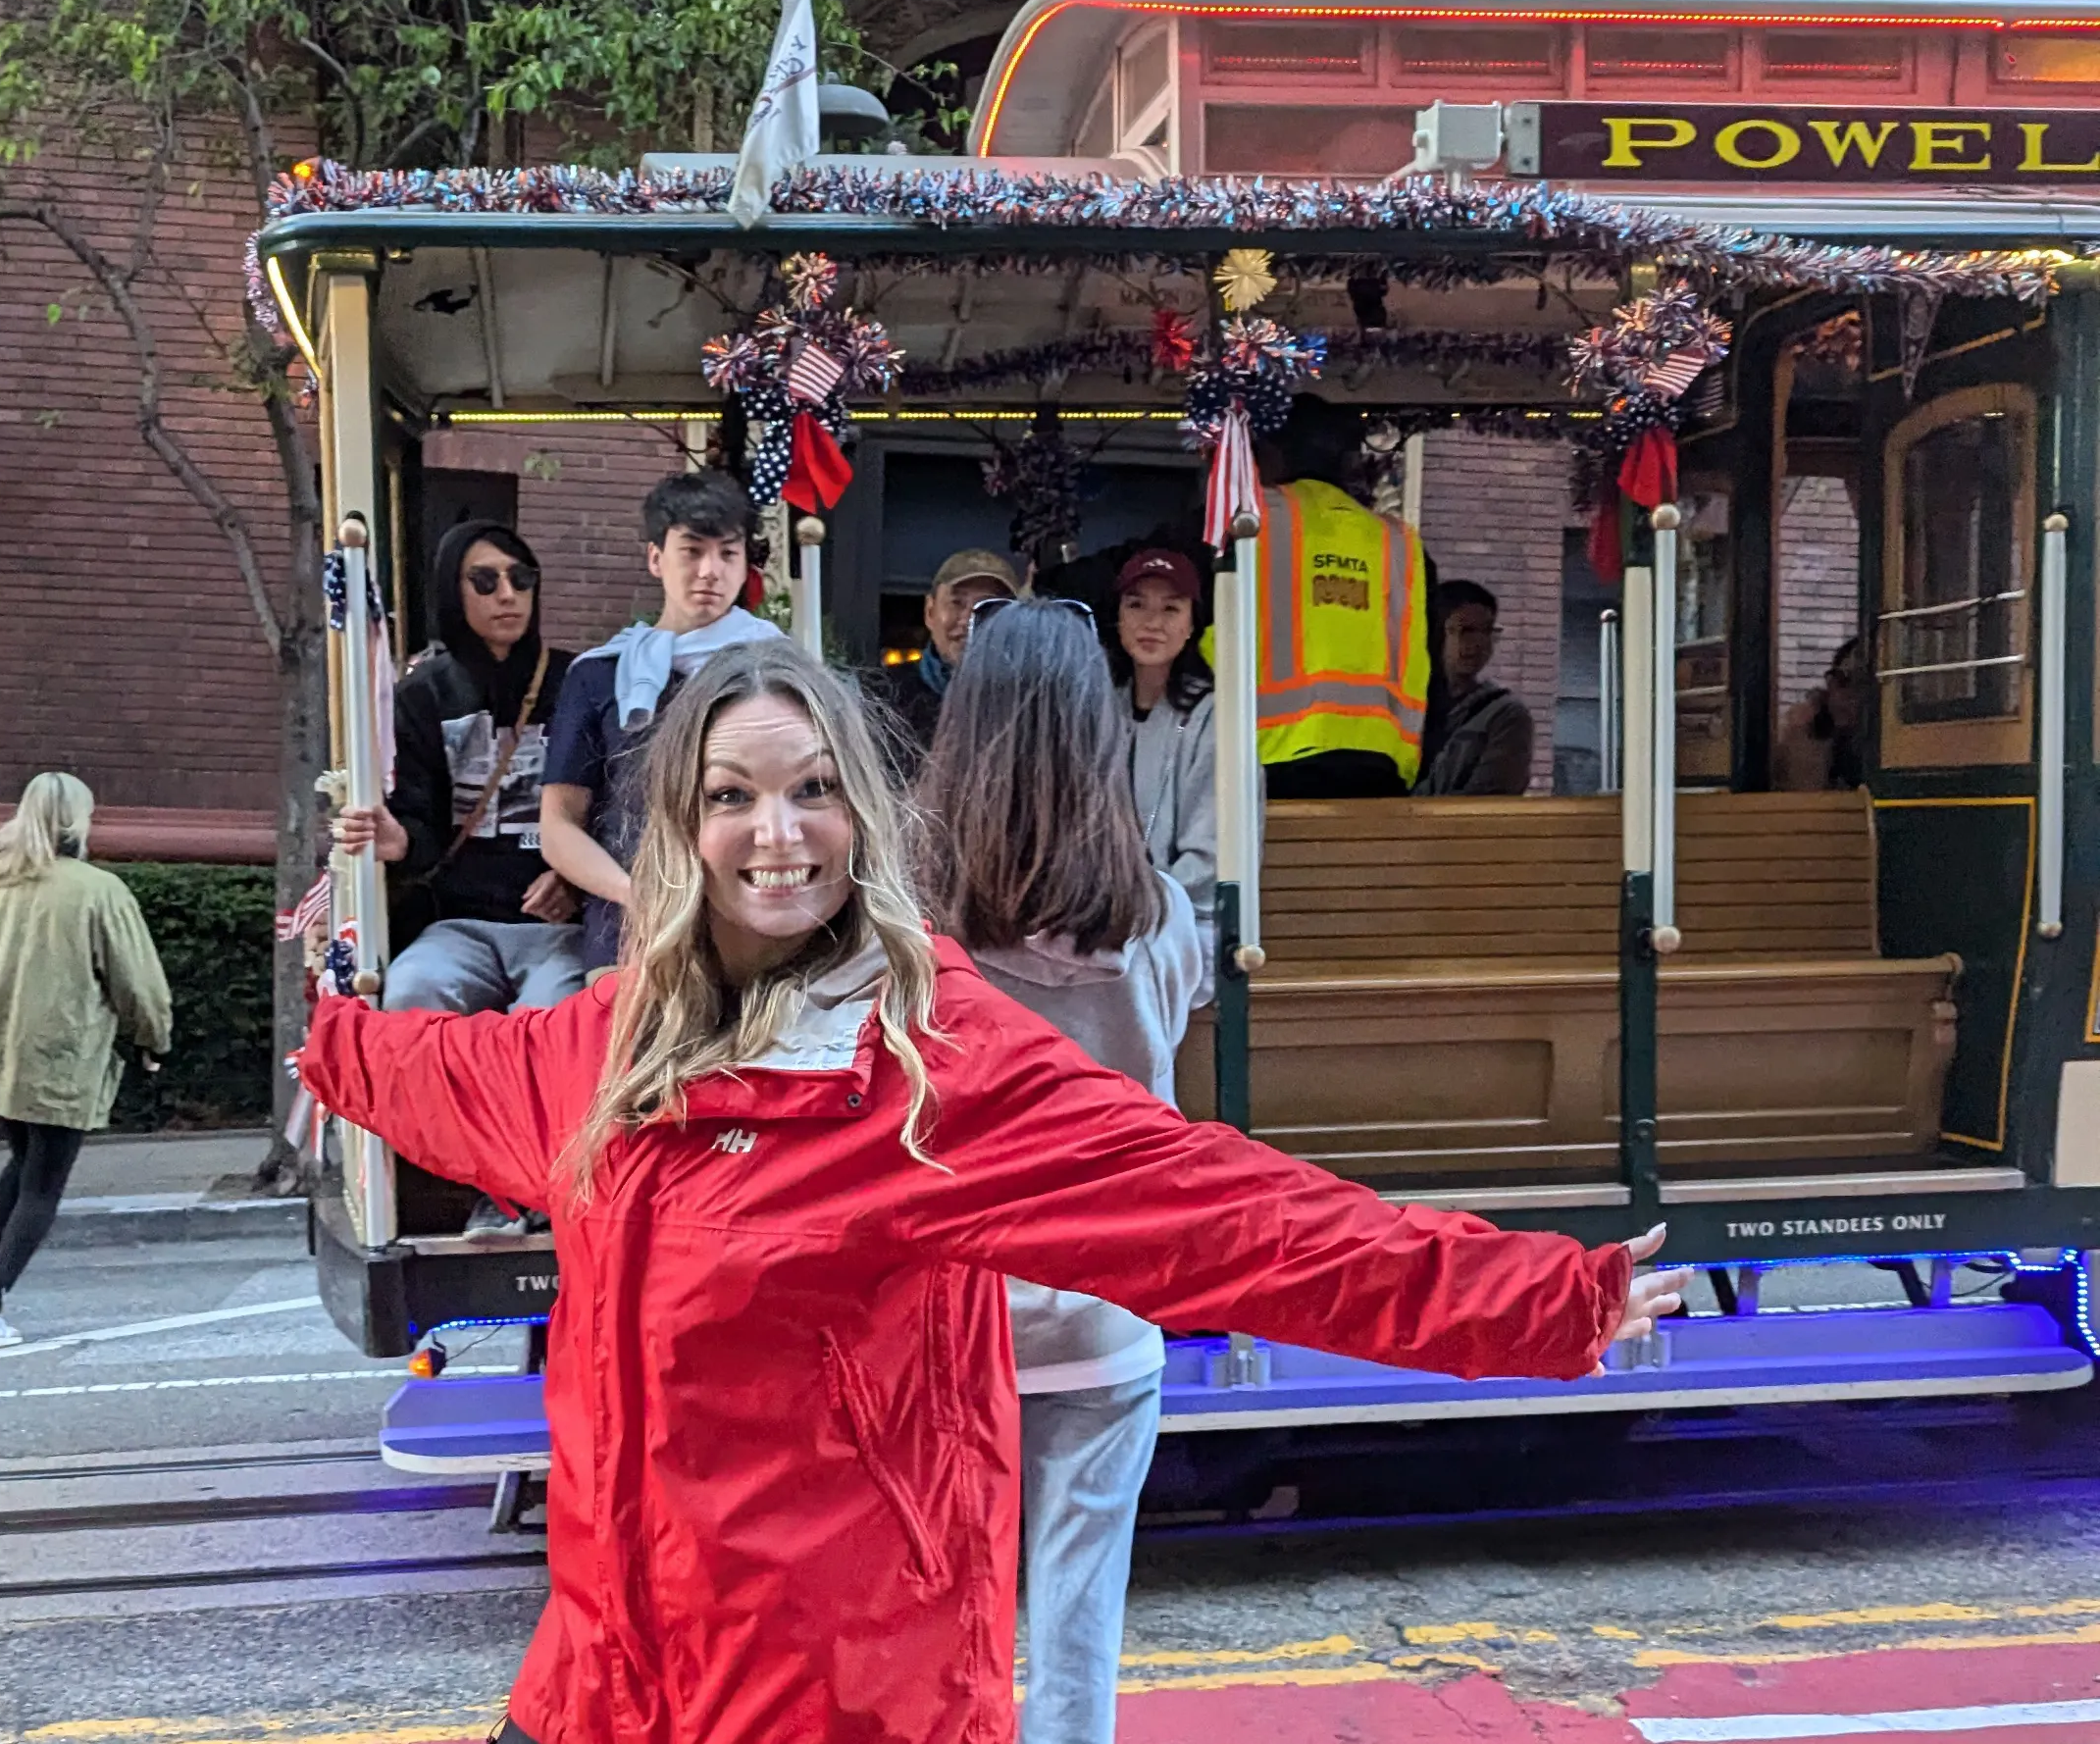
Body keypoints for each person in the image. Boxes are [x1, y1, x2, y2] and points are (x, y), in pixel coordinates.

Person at [295, 641, 1690, 1744]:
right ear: (682, 824)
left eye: (812, 789)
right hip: (606, 1676)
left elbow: (1226, 1214)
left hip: (835, 1695)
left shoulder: (928, 1066)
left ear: (864, 812)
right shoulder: (603, 1049)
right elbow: (433, 1072)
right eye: (732, 794)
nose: (776, 833)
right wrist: (331, 1027)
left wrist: (1544, 1297)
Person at [917, 599, 1208, 1744]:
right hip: (1105, 1310)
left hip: (952, 1317)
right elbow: (1170, 1044)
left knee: (950, 1615)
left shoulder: (909, 921)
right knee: (1080, 1626)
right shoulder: (1160, 914)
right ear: (1099, 734)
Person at [333, 520, 581, 1240]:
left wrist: (580, 879)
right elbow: (421, 822)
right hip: (461, 922)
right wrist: (396, 838)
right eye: (486, 580)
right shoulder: (423, 696)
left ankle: (537, 1186)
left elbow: (619, 804)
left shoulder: (578, 679)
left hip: (558, 926)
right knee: (411, 997)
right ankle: (484, 1182)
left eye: (521, 577)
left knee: (555, 1024)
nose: (509, 594)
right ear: (453, 590)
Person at [0, 773, 171, 1352]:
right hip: (58, 1050)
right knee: (44, 1182)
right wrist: (154, 1038)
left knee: (21, 1163)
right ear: (80, 818)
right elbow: (137, 983)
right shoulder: (99, 890)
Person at [539, 470, 783, 977]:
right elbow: (559, 824)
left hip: (756, 927)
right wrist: (635, 894)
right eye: (692, 551)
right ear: (656, 558)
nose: (710, 571)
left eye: (728, 553)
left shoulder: (782, 670)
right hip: (630, 933)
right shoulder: (598, 676)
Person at [1210, 392, 1433, 798]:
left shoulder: (1246, 520)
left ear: (1272, 453)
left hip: (1264, 764)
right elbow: (1430, 666)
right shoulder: (1399, 543)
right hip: (1379, 768)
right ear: (1350, 462)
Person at [1110, 547, 1216, 926]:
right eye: (1136, 605)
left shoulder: (1213, 717)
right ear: (1119, 618)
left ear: (1192, 624)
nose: (1152, 622)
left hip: (1188, 925)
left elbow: (1211, 860)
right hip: (1103, 923)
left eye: (1171, 609)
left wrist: (1140, 909)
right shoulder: (1099, 710)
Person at [882, 546, 1022, 755]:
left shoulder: (1026, 703)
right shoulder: (882, 697)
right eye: (957, 603)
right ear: (930, 612)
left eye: (988, 607)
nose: (968, 620)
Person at [1415, 581, 1536, 796]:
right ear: (1437, 633)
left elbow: (1491, 800)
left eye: (1488, 631)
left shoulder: (1504, 715)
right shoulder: (1406, 707)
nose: (1479, 643)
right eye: (1466, 630)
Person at [1774, 638, 1872, 792]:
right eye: (1840, 682)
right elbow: (1807, 798)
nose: (1848, 698)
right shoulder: (1801, 728)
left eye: (1859, 686)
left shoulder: (1876, 743)